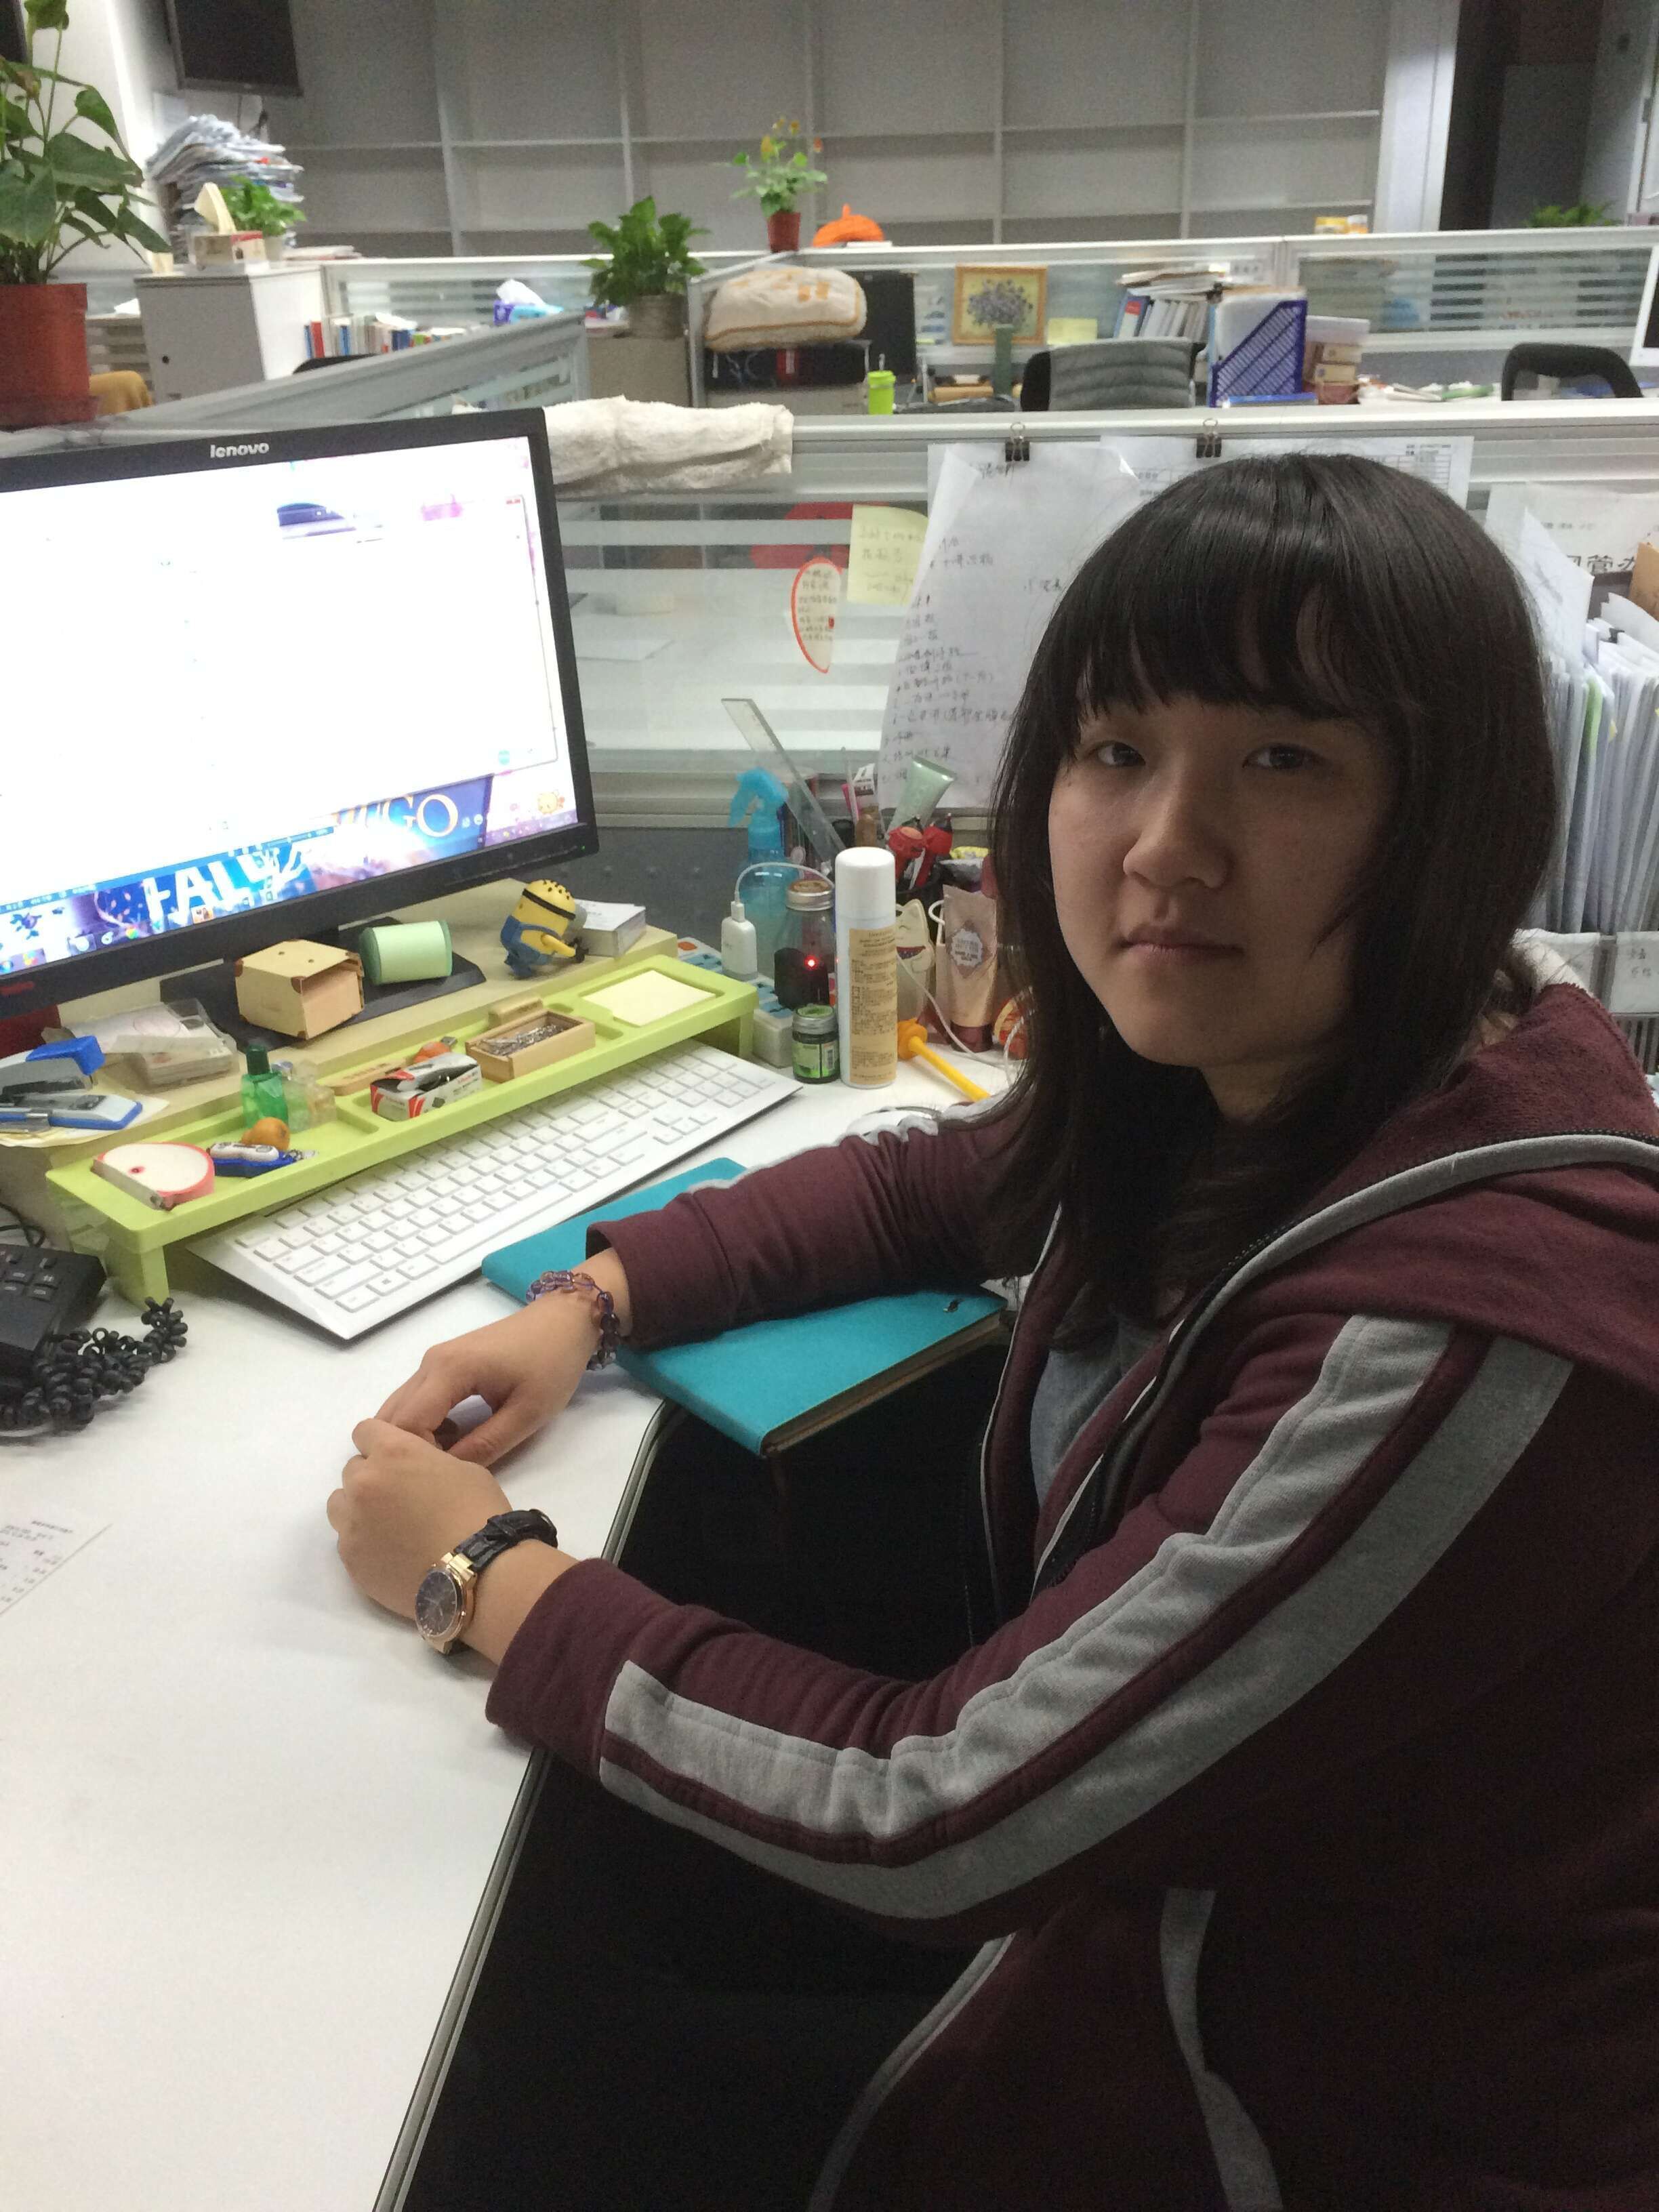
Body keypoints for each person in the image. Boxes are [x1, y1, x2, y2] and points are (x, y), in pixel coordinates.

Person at [329, 455, 1659, 2211]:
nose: (1166, 845)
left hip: (1305, 2119)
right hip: (1140, 1940)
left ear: (1453, 820)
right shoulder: (1326, 1054)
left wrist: (485, 1576)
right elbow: (937, 1190)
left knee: (519, 2097)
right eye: (1115, 749)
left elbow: (932, 1814)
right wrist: (597, 1299)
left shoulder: (1463, 1332)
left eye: (1284, 760)